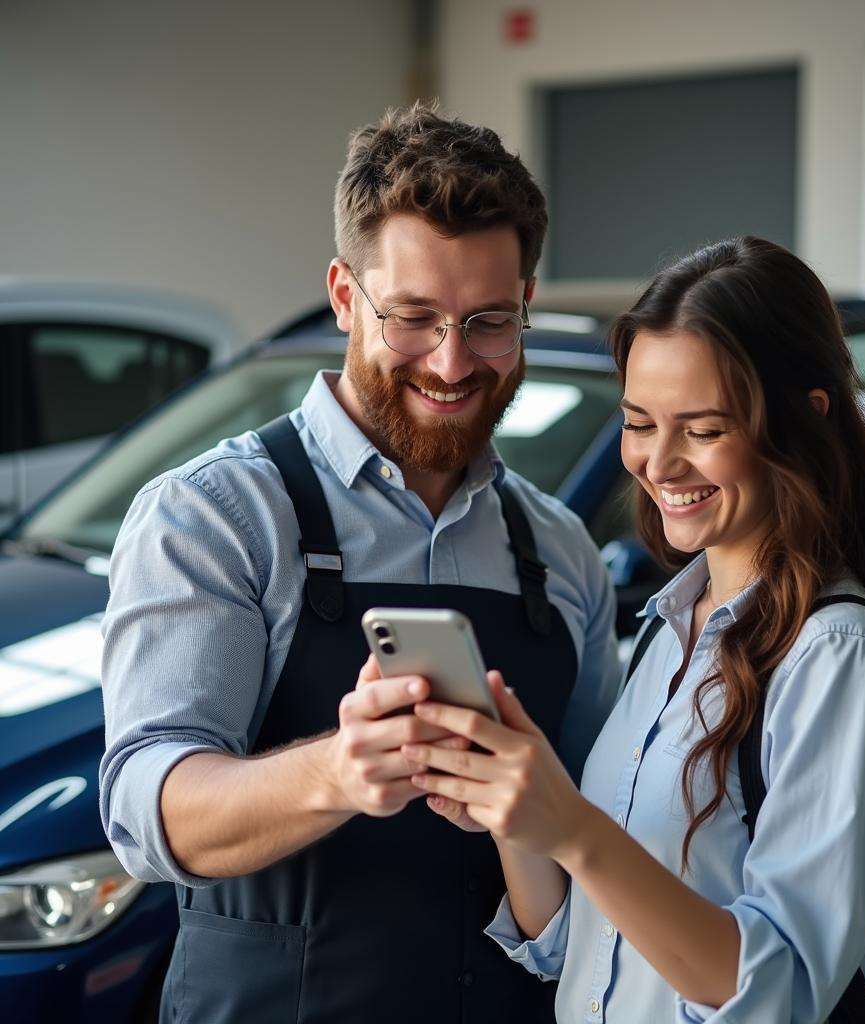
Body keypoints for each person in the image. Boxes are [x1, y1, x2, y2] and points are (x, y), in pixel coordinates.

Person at [99, 104, 621, 1024]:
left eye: (490, 322)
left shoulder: (560, 550)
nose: (454, 363)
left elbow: (597, 830)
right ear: (346, 295)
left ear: (526, 305)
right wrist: (337, 773)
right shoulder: (218, 516)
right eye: (413, 318)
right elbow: (147, 810)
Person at [401, 236, 865, 1022]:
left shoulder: (839, 660)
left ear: (805, 421)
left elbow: (781, 992)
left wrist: (579, 829)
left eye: (700, 430)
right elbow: (577, 945)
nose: (658, 463)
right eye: (639, 422)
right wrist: (523, 824)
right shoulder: (670, 632)